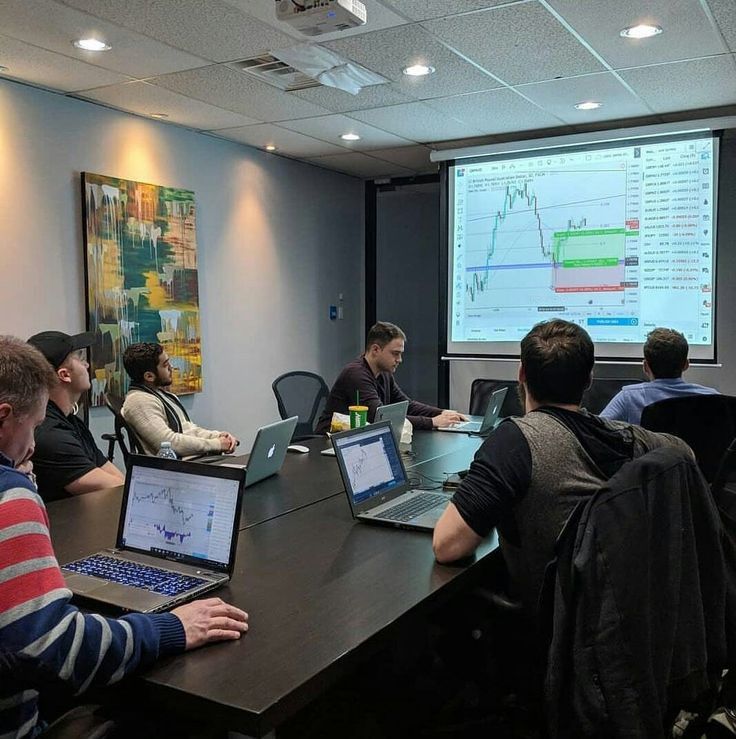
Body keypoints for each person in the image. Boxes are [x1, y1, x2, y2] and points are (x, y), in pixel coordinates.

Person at [0, 336, 248, 738]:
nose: (33, 446)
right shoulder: (8, 495)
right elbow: (59, 649)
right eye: (33, 428)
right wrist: (171, 628)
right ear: (4, 417)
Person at [432, 319, 691, 619]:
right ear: (589, 379)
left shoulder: (515, 441)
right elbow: (687, 456)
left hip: (552, 625)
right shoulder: (630, 438)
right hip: (630, 618)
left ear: (521, 374)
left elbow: (447, 546)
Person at [316, 321, 466, 434]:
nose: (399, 359)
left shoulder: (384, 374)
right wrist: (432, 422)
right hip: (327, 444)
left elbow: (408, 404)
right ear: (375, 349)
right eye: (395, 353)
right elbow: (380, 417)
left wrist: (441, 412)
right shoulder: (355, 374)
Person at [28, 330, 125, 502]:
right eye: (80, 358)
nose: (87, 365)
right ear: (64, 374)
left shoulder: (71, 422)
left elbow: (117, 480)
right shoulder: (50, 435)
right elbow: (113, 489)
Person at [121, 342, 239, 457]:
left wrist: (217, 436)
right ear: (149, 376)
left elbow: (187, 430)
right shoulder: (138, 402)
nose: (171, 368)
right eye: (165, 365)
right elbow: (170, 444)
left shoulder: (161, 395)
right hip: (172, 470)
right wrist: (217, 444)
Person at [600, 327, 719, 425]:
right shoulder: (714, 399)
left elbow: (596, 431)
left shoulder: (629, 398)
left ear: (645, 367)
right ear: (686, 365)